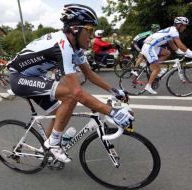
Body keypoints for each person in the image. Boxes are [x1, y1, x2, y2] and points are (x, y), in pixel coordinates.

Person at [8, 4, 134, 163]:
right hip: (19, 78)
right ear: (75, 29)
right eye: (89, 30)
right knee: (70, 96)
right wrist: (112, 112)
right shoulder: (63, 46)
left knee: (59, 110)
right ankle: (53, 144)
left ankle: (46, 149)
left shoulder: (75, 48)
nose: (92, 35)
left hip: (36, 77)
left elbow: (89, 73)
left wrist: (115, 91)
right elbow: (77, 92)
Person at [141, 17, 192, 94]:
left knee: (167, 53)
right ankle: (148, 86)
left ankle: (155, 66)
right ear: (179, 25)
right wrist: (189, 53)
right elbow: (180, 45)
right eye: (184, 25)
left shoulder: (171, 30)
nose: (185, 28)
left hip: (152, 46)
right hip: (149, 47)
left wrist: (180, 52)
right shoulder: (174, 31)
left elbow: (171, 44)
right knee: (157, 69)